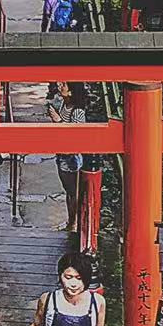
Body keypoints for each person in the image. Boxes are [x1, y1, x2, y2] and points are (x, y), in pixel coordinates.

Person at [47, 81, 88, 234]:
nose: (60, 86)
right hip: (62, 154)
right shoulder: (64, 105)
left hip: (71, 159)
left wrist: (58, 121)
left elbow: (77, 136)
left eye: (64, 85)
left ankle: (74, 223)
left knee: (73, 192)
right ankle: (71, 221)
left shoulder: (77, 112)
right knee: (68, 191)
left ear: (71, 92)